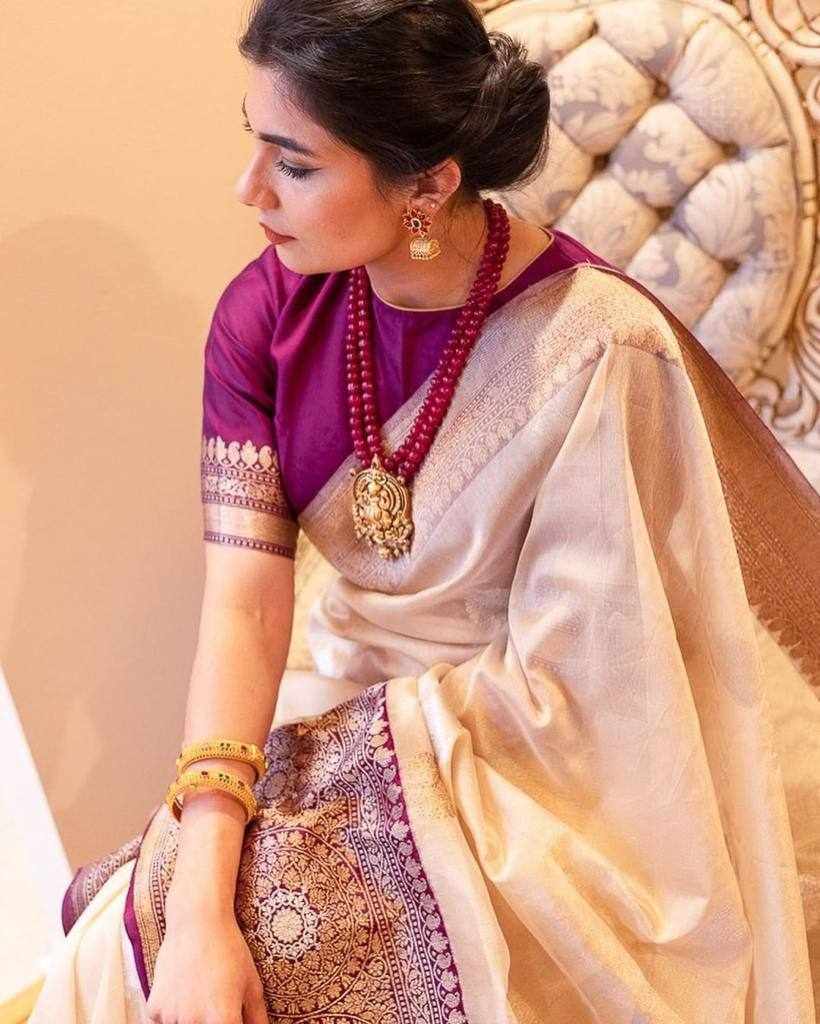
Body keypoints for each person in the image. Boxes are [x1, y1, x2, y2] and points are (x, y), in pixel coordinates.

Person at [30, 0, 820, 1021]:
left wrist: (358, 797)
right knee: (139, 942)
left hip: (548, 766)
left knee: (282, 942)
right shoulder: (263, 317)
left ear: (427, 187)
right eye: (253, 143)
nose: (248, 189)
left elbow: (596, 685)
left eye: (294, 164)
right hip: (345, 693)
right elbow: (246, 608)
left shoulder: (593, 346)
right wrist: (202, 883)